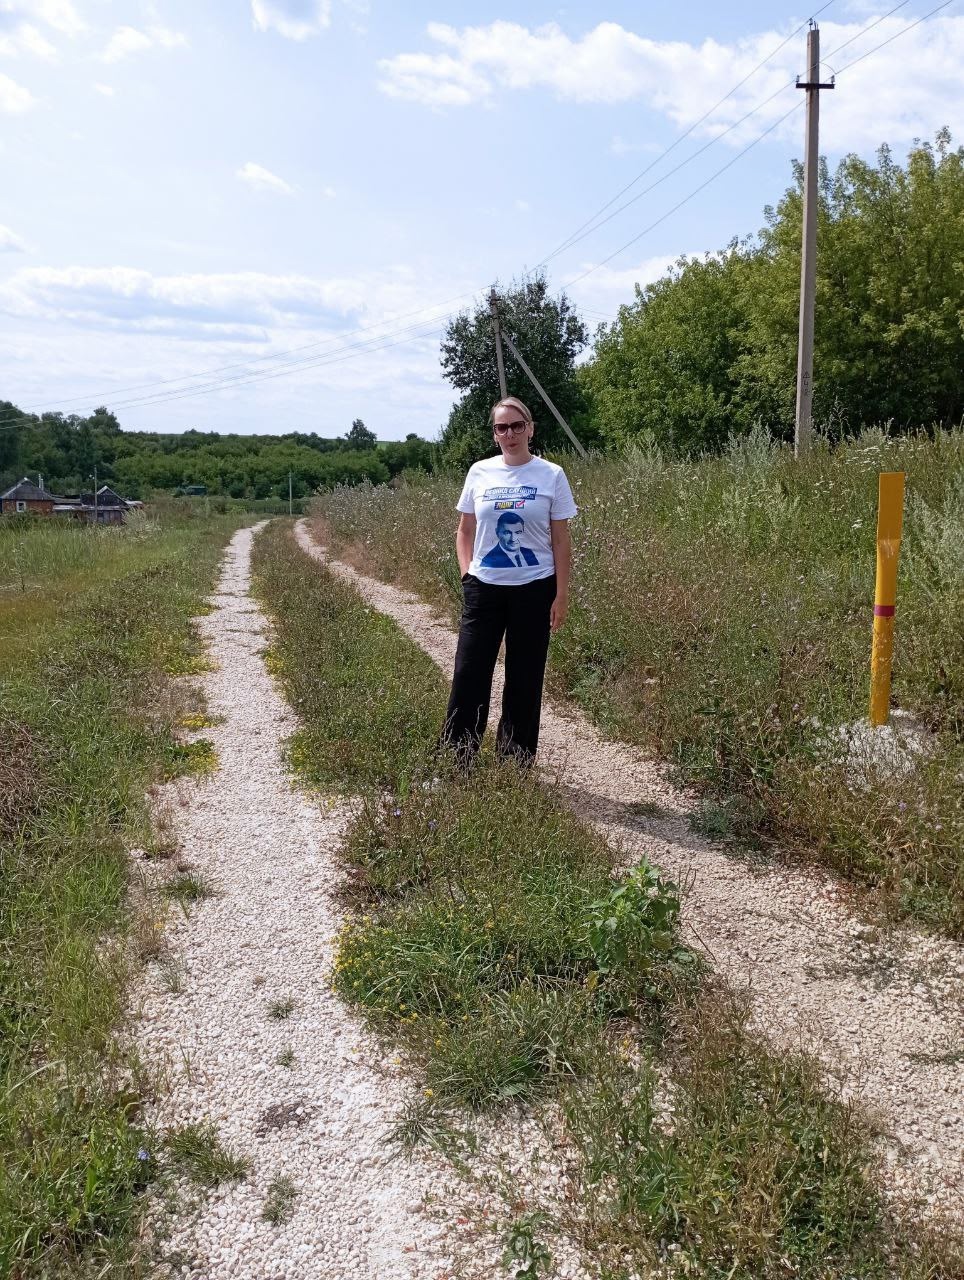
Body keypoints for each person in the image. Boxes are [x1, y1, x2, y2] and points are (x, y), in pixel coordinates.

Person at [440, 395, 577, 766]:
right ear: (495, 434)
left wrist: (561, 594)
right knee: (469, 673)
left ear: (530, 429)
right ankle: (457, 761)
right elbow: (464, 530)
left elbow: (561, 539)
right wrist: (467, 575)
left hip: (535, 588)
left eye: (517, 425)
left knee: (525, 678)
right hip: (484, 588)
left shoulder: (551, 475)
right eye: (502, 427)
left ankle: (514, 764)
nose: (510, 433)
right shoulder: (479, 472)